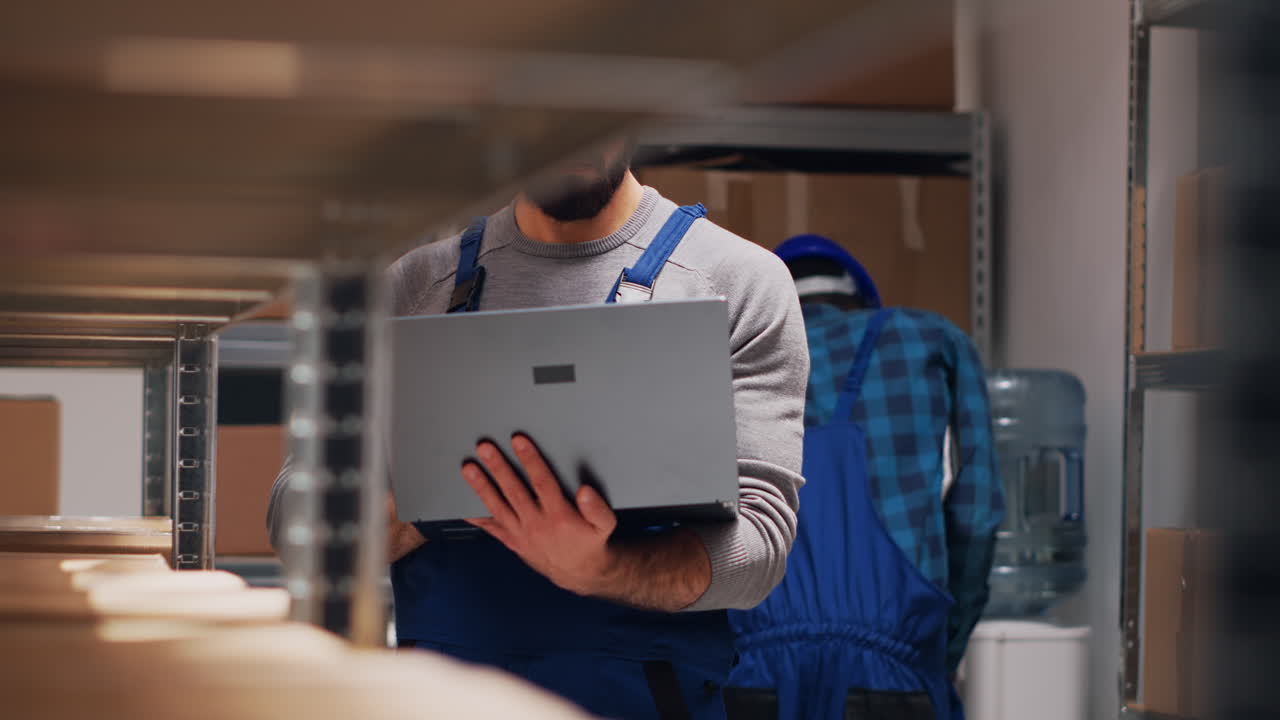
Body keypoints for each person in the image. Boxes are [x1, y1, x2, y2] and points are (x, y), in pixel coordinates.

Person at [266, 142, 809, 720]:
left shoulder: (739, 281)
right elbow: (294, 519)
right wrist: (433, 502)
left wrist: (602, 568)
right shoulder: (415, 286)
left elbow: (760, 543)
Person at [724, 235, 1003, 720]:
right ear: (859, 302)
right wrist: (936, 651)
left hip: (746, 671)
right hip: (894, 669)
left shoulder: (728, 356)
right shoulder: (930, 340)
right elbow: (976, 516)